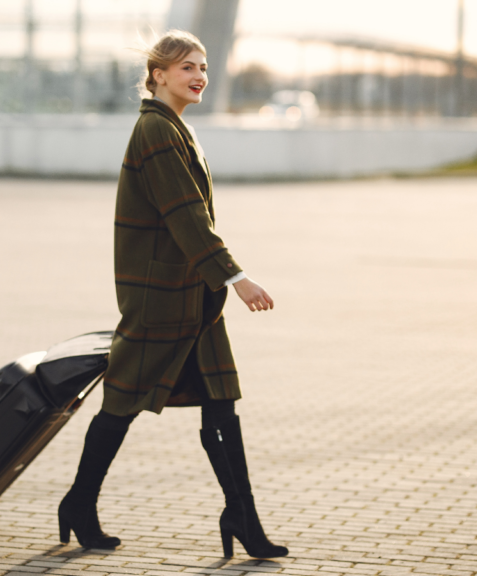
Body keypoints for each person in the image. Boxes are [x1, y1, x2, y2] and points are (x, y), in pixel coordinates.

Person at [57, 30, 288, 560]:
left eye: (203, 67)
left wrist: (217, 281)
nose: (199, 75)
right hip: (163, 297)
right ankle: (80, 502)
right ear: (158, 75)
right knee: (122, 402)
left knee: (221, 405)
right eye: (187, 67)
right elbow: (185, 214)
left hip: (193, 299)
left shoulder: (173, 127)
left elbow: (191, 215)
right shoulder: (156, 131)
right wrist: (236, 277)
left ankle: (242, 517)